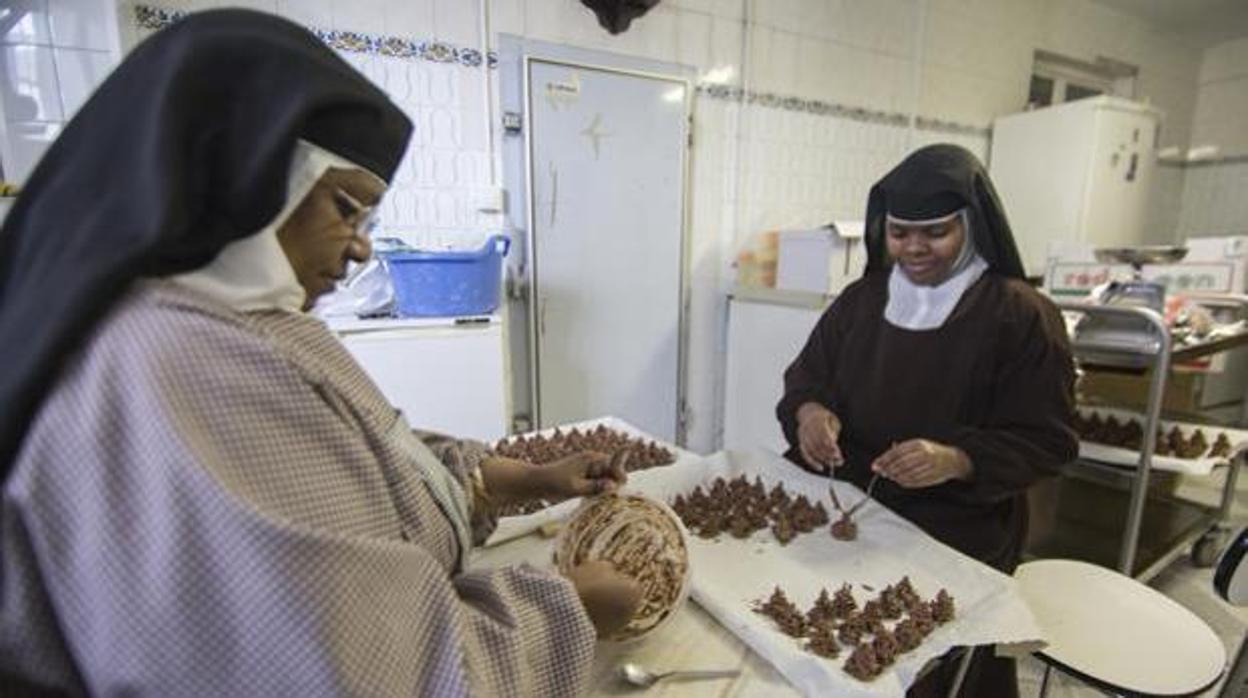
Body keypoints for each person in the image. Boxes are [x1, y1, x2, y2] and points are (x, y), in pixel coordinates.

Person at [0, 10, 640, 696]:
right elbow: (375, 676)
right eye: (345, 206)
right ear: (242, 171)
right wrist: (567, 607)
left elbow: (364, 462)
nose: (361, 244)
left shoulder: (237, 318)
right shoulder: (177, 365)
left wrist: (519, 479)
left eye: (368, 218)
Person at [776, 144, 1078, 696]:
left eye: (935, 232)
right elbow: (806, 378)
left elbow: (1048, 440)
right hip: (851, 506)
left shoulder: (1021, 315)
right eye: (898, 232)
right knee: (825, 646)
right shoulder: (861, 301)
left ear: (971, 225)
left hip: (956, 526)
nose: (913, 248)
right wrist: (810, 413)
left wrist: (956, 460)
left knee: (930, 670)